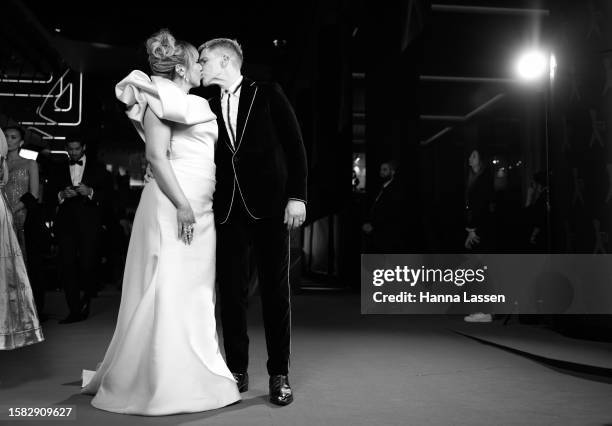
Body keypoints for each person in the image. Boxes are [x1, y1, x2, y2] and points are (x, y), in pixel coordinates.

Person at [81, 29, 240, 415]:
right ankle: (160, 378)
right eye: (198, 62)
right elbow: (156, 156)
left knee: (195, 290)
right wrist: (182, 205)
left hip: (200, 208)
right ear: (183, 68)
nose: (203, 67)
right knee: (167, 284)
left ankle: (193, 367)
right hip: (175, 204)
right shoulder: (159, 100)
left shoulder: (192, 102)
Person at [199, 38, 308, 406]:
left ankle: (279, 374)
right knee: (231, 294)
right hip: (228, 212)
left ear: (225, 60)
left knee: (276, 293)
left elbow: (295, 146)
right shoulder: (206, 104)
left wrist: (298, 197)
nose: (199, 65)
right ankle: (237, 372)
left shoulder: (267, 92)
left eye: (204, 59)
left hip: (271, 208)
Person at [47, 139, 109, 324]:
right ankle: (74, 310)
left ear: (84, 147)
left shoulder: (98, 168)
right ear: (66, 149)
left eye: (77, 149)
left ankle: (86, 298)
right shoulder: (58, 168)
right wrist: (61, 195)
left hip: (89, 224)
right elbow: (48, 194)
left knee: (87, 265)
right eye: (70, 149)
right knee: (67, 265)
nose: (74, 153)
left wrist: (90, 191)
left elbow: (109, 196)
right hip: (65, 224)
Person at [0, 128, 44, 350]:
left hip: (21, 217)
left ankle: (25, 317)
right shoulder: (0, 163)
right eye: (6, 137)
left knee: (22, 265)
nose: (8, 140)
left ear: (21, 142)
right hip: (1, 217)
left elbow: (34, 194)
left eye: (13, 137)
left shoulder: (30, 163)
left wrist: (13, 209)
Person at [463, 148, 495, 323]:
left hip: (482, 229)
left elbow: (482, 206)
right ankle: (480, 309)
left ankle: (486, 311)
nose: (470, 158)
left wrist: (474, 230)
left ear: (481, 160)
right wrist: (469, 229)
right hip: (474, 228)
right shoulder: (471, 178)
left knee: (481, 270)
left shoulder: (485, 179)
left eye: (473, 155)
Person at [362, 161, 407, 253]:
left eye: (385, 170)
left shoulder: (395, 190)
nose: (381, 172)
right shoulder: (381, 187)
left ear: (392, 172)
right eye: (381, 169)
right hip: (376, 235)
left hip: (385, 237)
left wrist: (373, 227)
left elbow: (391, 214)